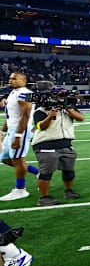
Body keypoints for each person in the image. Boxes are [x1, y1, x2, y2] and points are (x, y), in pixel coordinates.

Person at [31, 87, 85, 206]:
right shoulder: (40, 110)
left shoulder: (68, 109)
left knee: (69, 170)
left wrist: (69, 109)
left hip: (66, 143)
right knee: (46, 173)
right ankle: (44, 198)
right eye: (59, 96)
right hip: (45, 144)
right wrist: (50, 116)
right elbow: (41, 127)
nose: (61, 99)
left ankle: (69, 191)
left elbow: (81, 118)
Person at [1, 72, 39, 201]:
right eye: (10, 78)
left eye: (14, 79)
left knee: (17, 159)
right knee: (5, 158)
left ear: (24, 80)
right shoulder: (13, 93)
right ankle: (38, 173)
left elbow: (25, 116)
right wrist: (3, 132)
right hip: (12, 129)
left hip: (20, 130)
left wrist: (18, 135)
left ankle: (20, 189)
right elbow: (10, 115)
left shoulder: (26, 93)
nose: (11, 80)